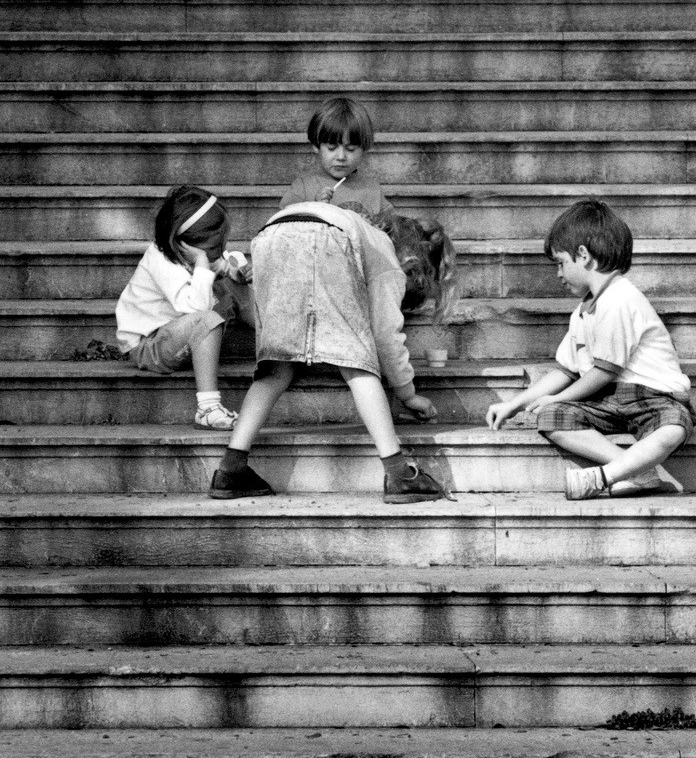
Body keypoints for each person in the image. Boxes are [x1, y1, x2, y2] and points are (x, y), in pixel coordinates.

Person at [209, 202, 456, 502]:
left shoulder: (363, 229)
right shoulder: (386, 257)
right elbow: (385, 335)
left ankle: (230, 469)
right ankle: (399, 472)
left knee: (276, 366)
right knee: (357, 365)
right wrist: (407, 393)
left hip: (270, 235)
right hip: (325, 235)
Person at [485, 198, 696, 499]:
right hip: (608, 402)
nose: (558, 274)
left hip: (654, 396)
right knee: (553, 417)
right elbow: (567, 370)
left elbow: (603, 373)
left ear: (583, 255)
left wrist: (556, 397)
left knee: (674, 426)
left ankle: (604, 476)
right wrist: (515, 404)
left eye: (560, 263)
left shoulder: (619, 298)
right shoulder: (582, 311)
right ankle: (638, 471)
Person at [116, 185, 253, 430]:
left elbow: (220, 266)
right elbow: (196, 309)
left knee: (233, 286)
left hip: (182, 337)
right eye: (210, 249)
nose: (214, 253)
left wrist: (235, 272)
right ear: (184, 245)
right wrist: (202, 264)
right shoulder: (160, 259)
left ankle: (278, 347)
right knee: (206, 318)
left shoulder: (192, 252)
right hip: (150, 345)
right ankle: (207, 408)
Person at [280, 95, 392, 216]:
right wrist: (313, 208)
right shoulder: (303, 187)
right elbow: (283, 225)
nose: (341, 157)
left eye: (351, 149)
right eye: (331, 148)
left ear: (364, 149)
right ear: (316, 146)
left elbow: (391, 228)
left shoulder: (372, 188)